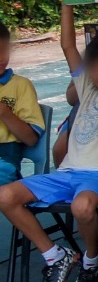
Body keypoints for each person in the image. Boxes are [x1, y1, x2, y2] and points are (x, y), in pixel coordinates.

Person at [0, 32, 98, 282]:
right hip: (67, 173)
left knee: (82, 207)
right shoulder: (86, 88)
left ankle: (91, 260)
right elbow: (68, 44)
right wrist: (66, 7)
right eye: (95, 66)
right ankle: (55, 256)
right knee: (5, 196)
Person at [0, 22, 44, 187]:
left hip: (5, 161)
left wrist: (4, 112)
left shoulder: (20, 85)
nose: (1, 57)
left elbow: (31, 139)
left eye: (4, 50)